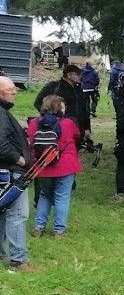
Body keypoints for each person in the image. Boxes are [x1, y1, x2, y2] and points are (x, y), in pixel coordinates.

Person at [27, 95, 82, 237]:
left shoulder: (34, 123)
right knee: (62, 197)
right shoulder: (67, 123)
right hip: (65, 165)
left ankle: (39, 227)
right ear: (59, 108)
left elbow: (31, 140)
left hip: (43, 166)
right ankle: (59, 230)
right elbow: (76, 135)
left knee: (45, 195)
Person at [1, 75, 41, 272]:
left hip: (6, 172)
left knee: (2, 213)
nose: (15, 91)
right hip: (12, 173)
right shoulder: (0, 114)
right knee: (18, 215)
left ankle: (2, 254)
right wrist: (21, 159)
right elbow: (1, 145)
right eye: (10, 89)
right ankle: (19, 260)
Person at [34, 64, 90, 139]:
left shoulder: (78, 89)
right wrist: (49, 117)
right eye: (77, 74)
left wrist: (87, 128)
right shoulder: (54, 87)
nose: (80, 76)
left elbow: (84, 109)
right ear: (69, 75)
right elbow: (38, 103)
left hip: (78, 129)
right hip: (59, 129)